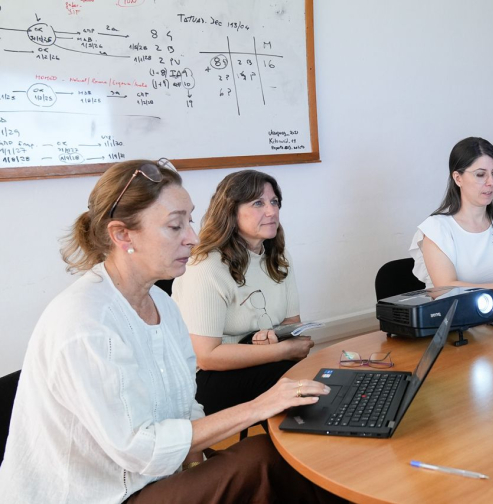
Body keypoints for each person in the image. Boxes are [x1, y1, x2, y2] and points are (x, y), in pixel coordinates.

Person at [0, 160, 336, 503]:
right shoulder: (85, 321)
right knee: (265, 462)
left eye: (189, 220)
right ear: (122, 235)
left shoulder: (161, 302)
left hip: (155, 478)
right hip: (106, 494)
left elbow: (184, 404)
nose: (192, 238)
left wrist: (198, 471)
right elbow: (140, 450)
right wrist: (259, 406)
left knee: (268, 461)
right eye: (175, 226)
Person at [172, 170, 314, 415]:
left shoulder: (278, 256)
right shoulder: (206, 266)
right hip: (206, 378)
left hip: (264, 361)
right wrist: (282, 350)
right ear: (230, 211)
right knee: (298, 390)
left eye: (274, 202)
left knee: (312, 380)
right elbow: (206, 356)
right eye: (258, 203)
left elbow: (292, 324)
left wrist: (276, 340)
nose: (271, 211)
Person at [409, 137, 493, 291]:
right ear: (458, 178)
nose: (491, 182)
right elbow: (445, 287)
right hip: (457, 313)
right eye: (480, 175)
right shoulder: (438, 229)